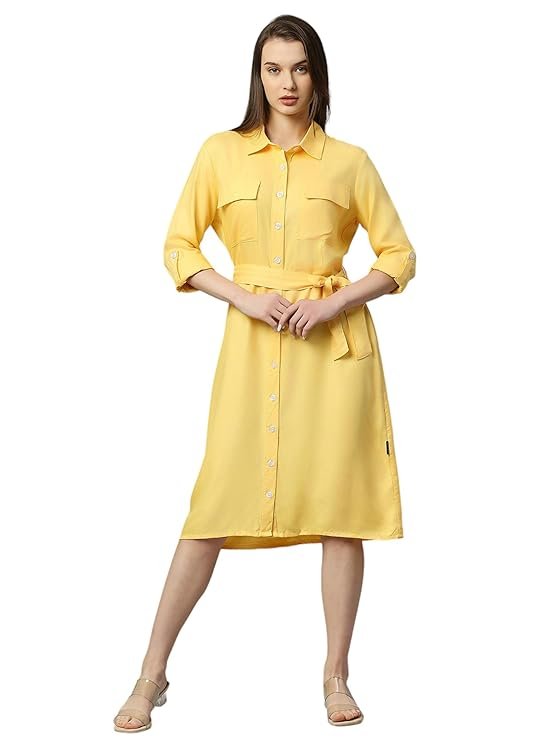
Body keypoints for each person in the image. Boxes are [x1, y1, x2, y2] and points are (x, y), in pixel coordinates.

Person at [113, 13, 415, 732]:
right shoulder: (220, 154)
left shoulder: (350, 162)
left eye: (300, 68)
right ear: (258, 75)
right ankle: (151, 672)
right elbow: (179, 246)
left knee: (342, 511)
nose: (287, 83)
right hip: (252, 351)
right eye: (274, 68)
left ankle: (336, 675)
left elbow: (400, 255)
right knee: (213, 506)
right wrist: (242, 295)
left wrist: (336, 300)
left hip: (333, 357)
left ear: (318, 76)